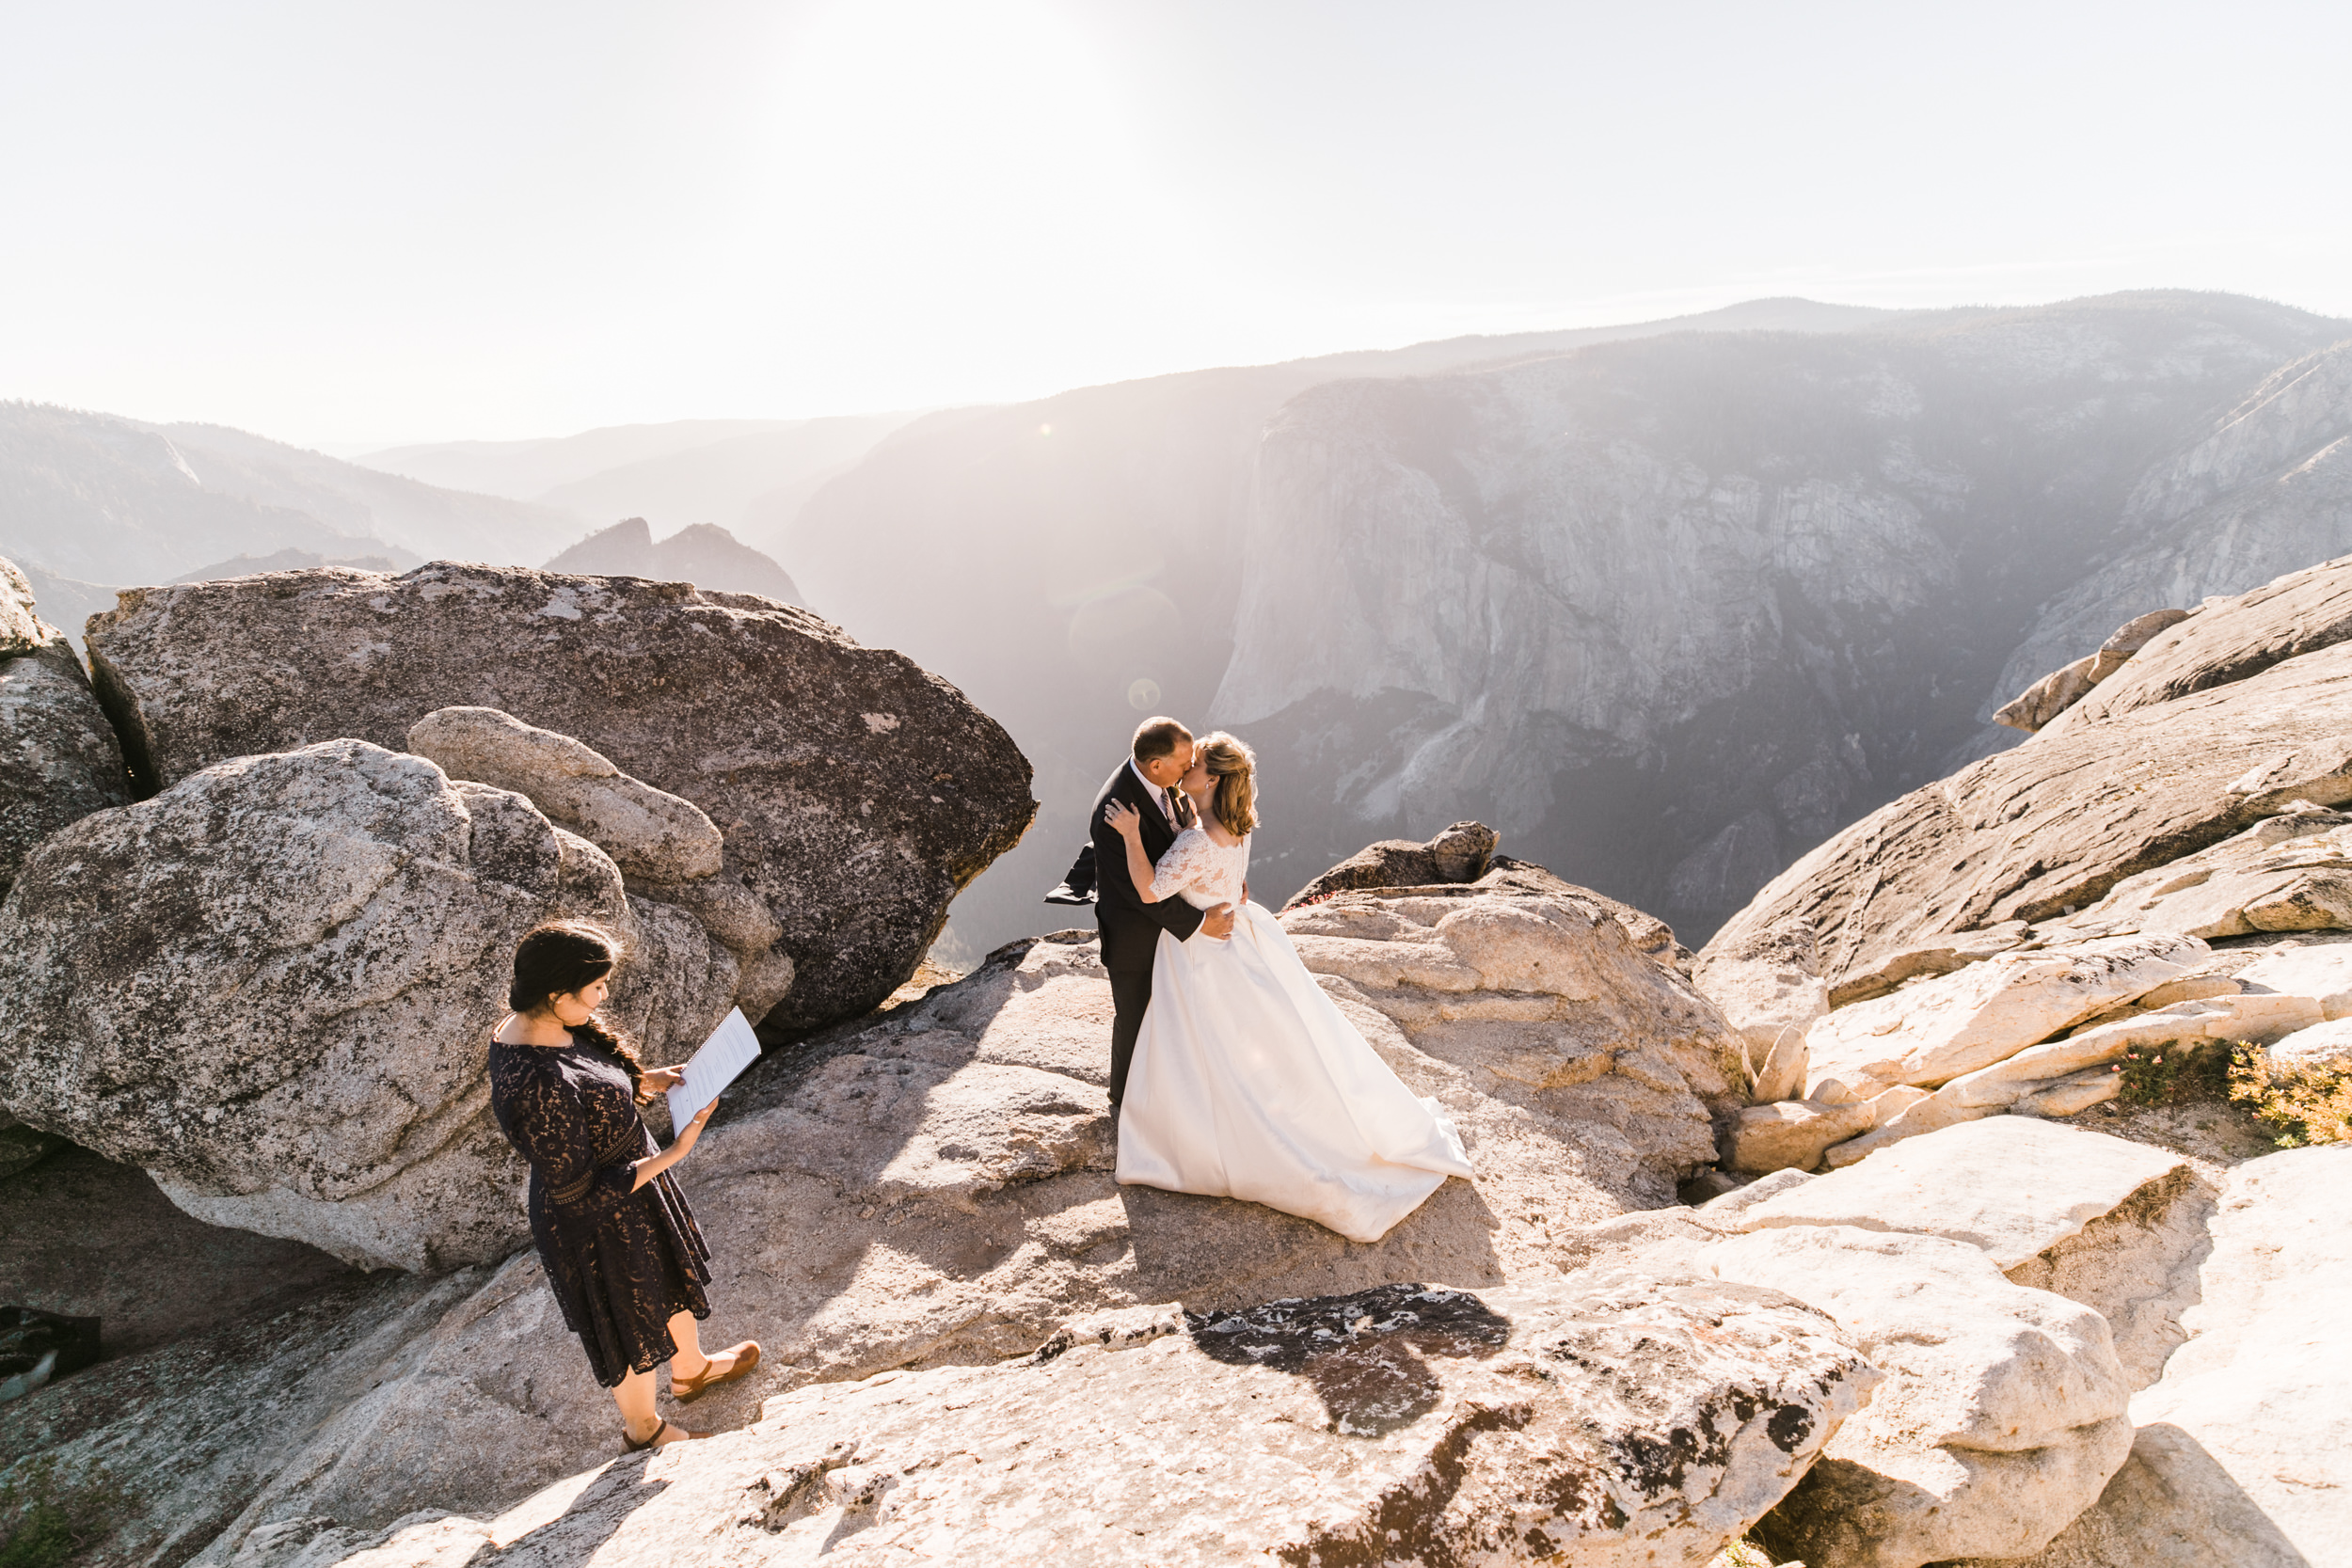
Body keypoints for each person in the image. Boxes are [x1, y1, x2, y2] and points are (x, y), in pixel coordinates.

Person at [1104, 732, 1474, 1242]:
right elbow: (1228, 876)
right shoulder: (1234, 825)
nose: (1186, 766)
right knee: (1261, 1043)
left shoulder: (1195, 839)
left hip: (1202, 953)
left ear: (1210, 779)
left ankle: (1219, 1135)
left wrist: (1128, 834)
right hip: (1240, 936)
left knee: (1207, 1045)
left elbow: (1148, 889)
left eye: (1195, 763)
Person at [486, 921, 760, 1451]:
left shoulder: (543, 1025)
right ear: (557, 994)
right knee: (628, 1318)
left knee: (667, 1281)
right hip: (595, 1218)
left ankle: (693, 1371)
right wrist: (675, 1154)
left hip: (632, 1187)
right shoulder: (534, 1084)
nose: (604, 995)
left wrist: (646, 1081)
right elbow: (577, 1193)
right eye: (596, 988)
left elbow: (585, 1090)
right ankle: (644, 1430)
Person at [1082, 717, 1236, 1111]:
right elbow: (1139, 893)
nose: (1190, 768)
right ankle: (1124, 1104)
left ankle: (1172, 1097)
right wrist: (1201, 923)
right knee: (1135, 1019)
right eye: (1184, 762)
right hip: (1135, 935)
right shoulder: (1116, 811)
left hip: (1166, 932)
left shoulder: (1167, 784)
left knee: (1175, 1018)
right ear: (1155, 765)